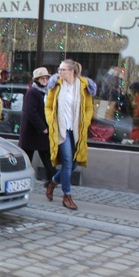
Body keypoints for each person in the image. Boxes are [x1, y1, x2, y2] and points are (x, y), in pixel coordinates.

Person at [44, 59, 95, 210]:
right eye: (59, 69)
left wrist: (85, 122)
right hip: (61, 129)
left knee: (73, 163)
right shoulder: (56, 86)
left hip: (77, 129)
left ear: (71, 71)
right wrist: (51, 120)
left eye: (62, 70)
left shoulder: (83, 87)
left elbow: (88, 108)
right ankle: (67, 196)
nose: (59, 72)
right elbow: (48, 106)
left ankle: (53, 182)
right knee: (67, 161)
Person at [19, 67, 56, 187]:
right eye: (42, 78)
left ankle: (51, 180)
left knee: (46, 157)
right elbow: (31, 112)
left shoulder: (47, 92)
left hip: (41, 132)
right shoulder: (33, 92)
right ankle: (21, 181)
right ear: (36, 80)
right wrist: (42, 127)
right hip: (32, 131)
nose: (44, 80)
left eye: (46, 78)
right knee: (26, 159)